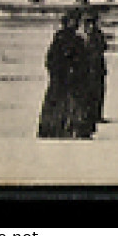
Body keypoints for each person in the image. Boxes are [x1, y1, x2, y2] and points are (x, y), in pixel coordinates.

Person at [37, 10, 86, 139]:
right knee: (61, 103)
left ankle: (63, 128)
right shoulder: (63, 39)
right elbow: (51, 59)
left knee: (65, 103)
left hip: (68, 78)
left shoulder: (74, 40)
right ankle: (55, 128)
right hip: (62, 78)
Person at [78, 11, 108, 132]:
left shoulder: (95, 35)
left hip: (97, 67)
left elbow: (103, 47)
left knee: (98, 92)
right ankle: (90, 114)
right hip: (89, 68)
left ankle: (96, 114)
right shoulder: (85, 36)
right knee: (90, 92)